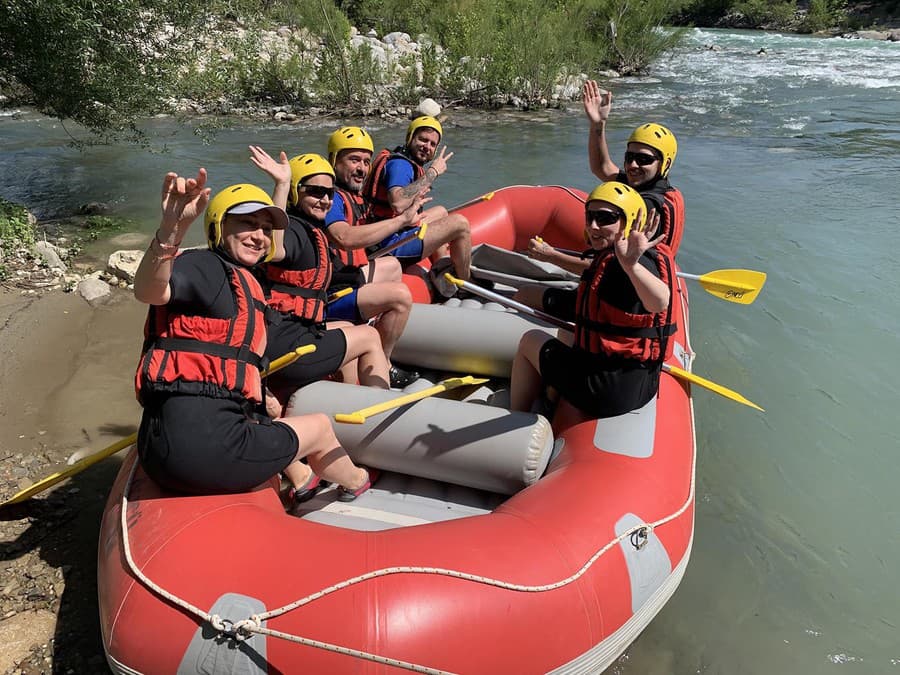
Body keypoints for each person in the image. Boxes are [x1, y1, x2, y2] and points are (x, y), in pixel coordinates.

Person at [132, 169, 376, 504]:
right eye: (247, 224)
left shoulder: (241, 282)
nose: (259, 235)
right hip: (207, 454)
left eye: (265, 228)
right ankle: (360, 481)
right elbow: (150, 290)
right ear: (219, 227)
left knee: (270, 410)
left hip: (156, 453)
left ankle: (303, 480)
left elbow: (228, 361)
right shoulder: (204, 267)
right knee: (318, 426)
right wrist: (171, 230)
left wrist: (264, 399)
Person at [510, 181, 676, 422]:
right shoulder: (634, 257)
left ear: (628, 220)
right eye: (590, 217)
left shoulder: (628, 267)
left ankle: (516, 415)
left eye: (606, 218)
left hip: (604, 391)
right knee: (567, 334)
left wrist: (631, 267)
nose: (593, 225)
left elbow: (660, 301)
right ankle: (551, 396)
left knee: (530, 340)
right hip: (642, 384)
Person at [252, 150, 391, 403]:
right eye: (315, 192)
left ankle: (348, 405)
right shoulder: (294, 231)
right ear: (296, 192)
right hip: (286, 348)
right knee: (370, 337)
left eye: (329, 193)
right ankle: (381, 410)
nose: (325, 200)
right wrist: (282, 185)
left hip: (291, 333)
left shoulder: (312, 229)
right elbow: (274, 247)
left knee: (347, 330)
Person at [362, 116, 472, 289]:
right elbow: (397, 202)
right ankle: (466, 285)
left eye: (432, 144)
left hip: (392, 231)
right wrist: (433, 172)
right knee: (461, 224)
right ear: (410, 138)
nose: (427, 146)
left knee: (441, 212)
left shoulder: (403, 160)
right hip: (388, 246)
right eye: (422, 139)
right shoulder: (400, 165)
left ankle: (440, 270)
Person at [582, 80, 685, 255]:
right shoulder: (639, 186)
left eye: (644, 159)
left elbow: (610, 265)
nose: (633, 165)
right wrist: (598, 125)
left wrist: (549, 255)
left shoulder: (648, 207)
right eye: (629, 157)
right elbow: (602, 168)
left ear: (665, 164)